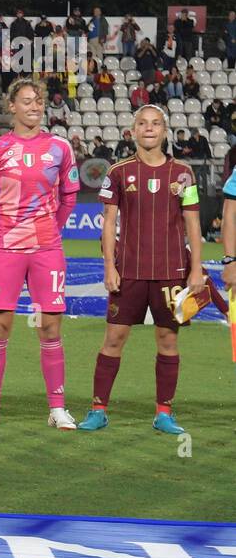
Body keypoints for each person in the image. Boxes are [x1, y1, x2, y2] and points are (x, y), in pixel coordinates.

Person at [80, 105, 203, 435]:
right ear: (132, 131)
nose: (149, 129)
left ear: (164, 131)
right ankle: (98, 410)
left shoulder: (184, 174)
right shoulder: (118, 173)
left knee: (167, 340)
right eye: (142, 123)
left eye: (156, 124)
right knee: (114, 338)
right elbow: (108, 224)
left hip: (171, 272)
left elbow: (193, 224)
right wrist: (109, 265)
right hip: (129, 271)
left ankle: (164, 413)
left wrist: (196, 270)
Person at [0, 78, 80, 429]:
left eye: (38, 101)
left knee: (50, 327)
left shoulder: (61, 147)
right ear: (12, 106)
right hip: (6, 248)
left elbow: (69, 197)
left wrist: (52, 230)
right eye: (26, 101)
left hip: (47, 248)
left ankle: (58, 408)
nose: (33, 107)